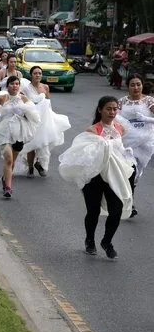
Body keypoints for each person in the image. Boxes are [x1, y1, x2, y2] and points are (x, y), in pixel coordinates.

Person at [59, 96, 136, 258]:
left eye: (115, 109)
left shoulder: (120, 128)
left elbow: (120, 150)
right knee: (93, 211)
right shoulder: (92, 131)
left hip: (114, 175)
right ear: (100, 110)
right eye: (108, 109)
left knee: (117, 210)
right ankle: (90, 240)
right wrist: (104, 147)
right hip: (95, 176)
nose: (112, 112)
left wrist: (127, 156)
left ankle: (107, 241)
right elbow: (86, 154)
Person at [17, 66, 71, 177]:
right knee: (32, 143)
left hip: (45, 119)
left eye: (39, 73)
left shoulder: (45, 87)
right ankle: (31, 168)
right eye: (35, 73)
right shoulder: (26, 89)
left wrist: (50, 116)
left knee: (44, 143)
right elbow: (23, 105)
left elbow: (48, 103)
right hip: (32, 119)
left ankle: (39, 164)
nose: (38, 75)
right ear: (31, 75)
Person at [0, 76, 40, 198]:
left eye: (17, 84)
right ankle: (8, 188)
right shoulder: (2, 98)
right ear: (7, 86)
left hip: (19, 131)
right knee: (8, 158)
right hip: (4, 131)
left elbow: (33, 114)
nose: (15, 86)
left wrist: (24, 112)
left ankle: (5, 178)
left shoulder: (23, 98)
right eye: (12, 83)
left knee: (12, 161)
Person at [116, 74, 154, 218]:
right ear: (128, 87)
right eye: (132, 85)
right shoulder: (122, 102)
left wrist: (146, 119)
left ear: (142, 85)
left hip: (145, 143)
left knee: (136, 174)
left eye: (138, 84)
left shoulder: (149, 101)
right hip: (127, 144)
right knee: (130, 172)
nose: (136, 87)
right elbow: (115, 120)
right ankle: (129, 204)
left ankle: (126, 197)